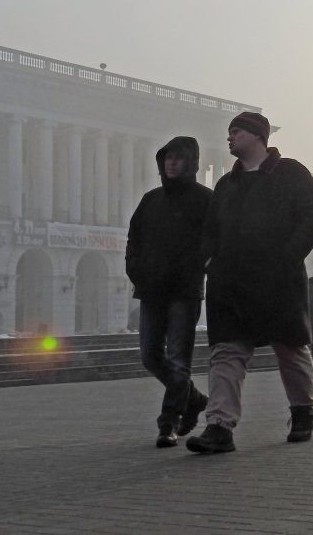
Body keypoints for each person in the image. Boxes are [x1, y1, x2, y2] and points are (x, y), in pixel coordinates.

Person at [187, 113, 313, 455]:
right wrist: (210, 263)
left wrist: (287, 258)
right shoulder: (226, 185)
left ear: (256, 135)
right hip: (230, 284)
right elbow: (209, 231)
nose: (230, 138)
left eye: (236, 132)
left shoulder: (291, 172)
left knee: (290, 347)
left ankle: (303, 411)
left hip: (277, 279)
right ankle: (219, 426)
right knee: (226, 353)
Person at [125, 136, 213, 448]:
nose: (172, 163)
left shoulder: (205, 199)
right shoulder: (151, 200)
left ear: (191, 163)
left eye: (179, 158)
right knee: (149, 355)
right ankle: (196, 398)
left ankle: (169, 422)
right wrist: (134, 268)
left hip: (184, 291)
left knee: (178, 360)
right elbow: (133, 237)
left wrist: (195, 266)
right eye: (168, 158)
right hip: (151, 289)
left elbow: (212, 240)